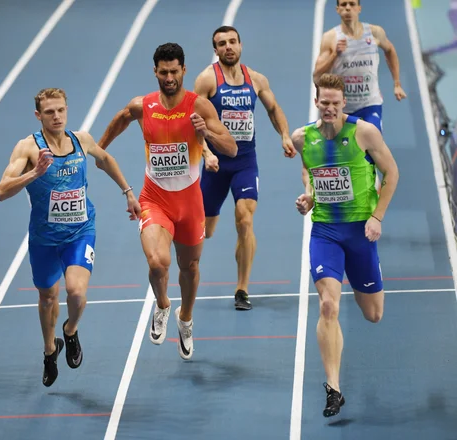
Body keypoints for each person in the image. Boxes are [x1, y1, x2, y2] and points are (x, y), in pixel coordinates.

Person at [98, 43, 237, 360]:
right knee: (158, 263)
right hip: (154, 200)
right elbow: (121, 118)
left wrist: (208, 133)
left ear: (184, 70)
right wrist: (99, 150)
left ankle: (185, 318)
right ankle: (162, 304)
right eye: (164, 72)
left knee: (189, 267)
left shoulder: (199, 106)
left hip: (190, 202)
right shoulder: (142, 106)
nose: (170, 77)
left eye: (175, 71)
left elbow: (231, 149)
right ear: (155, 72)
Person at [0, 88, 140, 387]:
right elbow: (2, 191)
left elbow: (105, 159)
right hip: (44, 239)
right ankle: (50, 350)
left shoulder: (81, 139)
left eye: (60, 110)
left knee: (76, 293)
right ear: (39, 116)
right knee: (47, 297)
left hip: (80, 232)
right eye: (49, 112)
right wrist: (34, 173)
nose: (56, 116)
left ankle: (70, 330)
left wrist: (127, 192)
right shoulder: (27, 148)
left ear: (67, 109)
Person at [292, 73, 399, 417]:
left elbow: (392, 173)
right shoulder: (302, 138)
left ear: (344, 104)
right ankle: (334, 387)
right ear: (316, 102)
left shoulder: (364, 132)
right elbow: (309, 171)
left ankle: (360, 277)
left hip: (360, 232)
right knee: (328, 306)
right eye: (324, 103)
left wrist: (377, 217)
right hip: (326, 232)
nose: (330, 109)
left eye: (336, 104)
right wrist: (308, 196)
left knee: (374, 315)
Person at [194, 25, 296, 311]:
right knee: (206, 231)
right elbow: (192, 121)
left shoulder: (257, 79)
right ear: (215, 50)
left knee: (245, 220)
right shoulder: (206, 81)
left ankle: (242, 288)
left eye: (232, 42)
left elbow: (274, 109)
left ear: (240, 45)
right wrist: (205, 153)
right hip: (215, 165)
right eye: (221, 43)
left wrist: (285, 135)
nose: (228, 47)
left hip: (245, 162)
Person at [313, 0, 407, 134]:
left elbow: (390, 51)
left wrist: (397, 83)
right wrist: (335, 54)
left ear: (359, 8)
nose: (348, 8)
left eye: (352, 4)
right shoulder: (330, 38)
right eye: (344, 5)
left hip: (370, 104)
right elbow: (317, 74)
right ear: (337, 9)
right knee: (346, 151)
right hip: (343, 108)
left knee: (373, 145)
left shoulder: (374, 32)